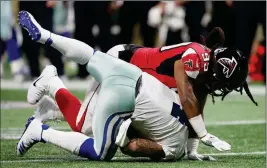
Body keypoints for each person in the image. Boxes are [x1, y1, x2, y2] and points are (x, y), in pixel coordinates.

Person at [17, 11, 230, 161]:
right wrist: (202, 136)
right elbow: (187, 99)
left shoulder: (200, 71)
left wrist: (194, 146)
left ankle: (47, 37)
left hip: (131, 70)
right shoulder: (195, 60)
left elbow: (194, 104)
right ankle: (51, 90)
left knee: (90, 56)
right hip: (128, 66)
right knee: (84, 126)